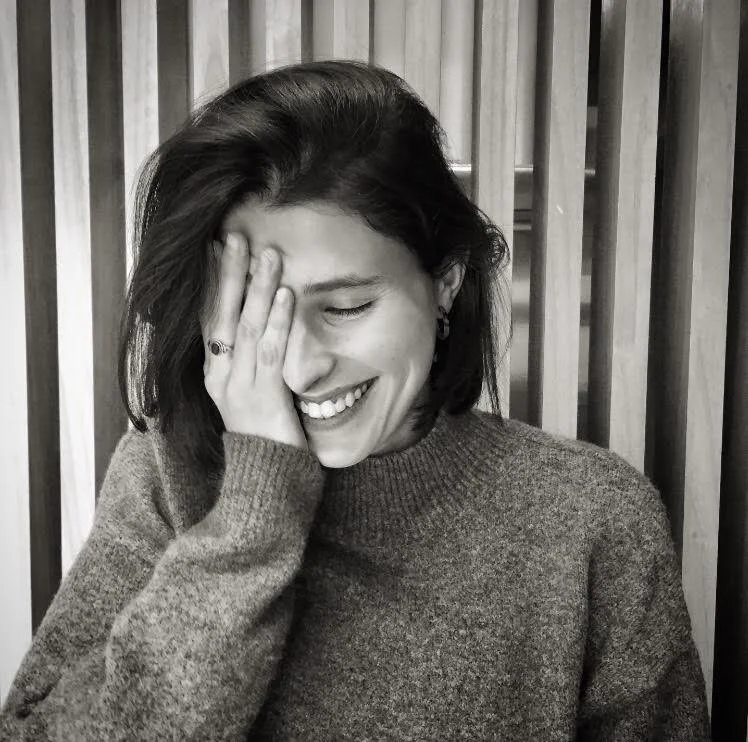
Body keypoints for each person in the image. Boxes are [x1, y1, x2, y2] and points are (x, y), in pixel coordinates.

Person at [0, 60, 710, 741]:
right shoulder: (163, 476)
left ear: (446, 281)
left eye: (344, 307)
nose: (301, 368)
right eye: (254, 312)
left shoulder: (591, 520)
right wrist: (253, 512)